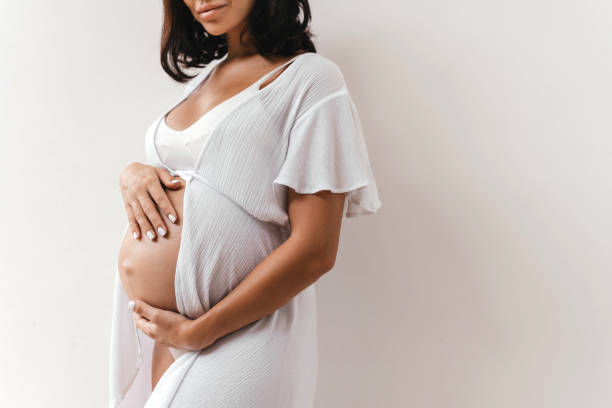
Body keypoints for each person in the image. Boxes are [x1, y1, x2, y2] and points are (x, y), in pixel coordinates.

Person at [109, 0, 382, 406]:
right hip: (168, 333)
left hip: (243, 330)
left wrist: (200, 331)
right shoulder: (201, 82)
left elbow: (316, 250)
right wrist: (131, 173)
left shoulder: (310, 79)